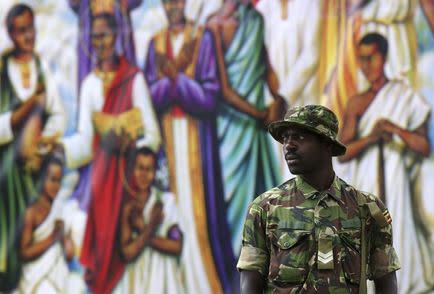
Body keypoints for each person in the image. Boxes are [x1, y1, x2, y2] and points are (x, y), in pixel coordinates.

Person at [237, 104, 400, 293]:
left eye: (299, 136)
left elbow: (386, 280)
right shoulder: (265, 207)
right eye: (285, 138)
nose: (288, 145)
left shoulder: (368, 208)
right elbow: (249, 282)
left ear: (327, 144)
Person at [59, 12, 160, 294]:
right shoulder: (90, 84)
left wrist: (131, 142)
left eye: (104, 36)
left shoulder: (133, 79)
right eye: (94, 37)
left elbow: (152, 135)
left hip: (128, 181)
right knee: (102, 254)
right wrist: (59, 149)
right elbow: (84, 142)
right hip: (101, 184)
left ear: (115, 37)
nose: (99, 42)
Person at [145, 0, 237, 293]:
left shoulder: (202, 38)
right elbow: (147, 98)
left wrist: (176, 80)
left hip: (198, 144)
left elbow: (210, 98)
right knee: (171, 216)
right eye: (167, 1)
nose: (172, 5)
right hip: (167, 143)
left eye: (177, 0)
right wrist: (172, 82)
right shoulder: (154, 44)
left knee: (201, 223)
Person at [338, 33, 434, 293]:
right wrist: (371, 137)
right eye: (361, 59)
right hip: (365, 184)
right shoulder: (357, 103)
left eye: (371, 58)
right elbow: (342, 152)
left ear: (384, 57)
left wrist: (394, 129)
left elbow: (424, 147)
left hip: (397, 182)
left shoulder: (404, 97)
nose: (366, 65)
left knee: (398, 236)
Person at [0, 4, 66, 291]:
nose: (28, 36)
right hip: (9, 173)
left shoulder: (42, 67)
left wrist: (45, 140)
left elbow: (58, 116)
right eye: (21, 31)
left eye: (31, 28)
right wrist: (24, 112)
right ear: (9, 34)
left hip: (36, 168)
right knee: (10, 234)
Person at [206, 0, 286, 256]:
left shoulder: (255, 21)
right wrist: (261, 113)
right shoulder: (214, 26)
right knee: (231, 207)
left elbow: (265, 66)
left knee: (262, 204)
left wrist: (278, 98)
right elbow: (224, 91)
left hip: (256, 131)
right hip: (230, 127)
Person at [114, 146, 184, 293]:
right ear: (133, 169)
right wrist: (150, 227)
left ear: (154, 172)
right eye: (140, 168)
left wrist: (141, 229)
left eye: (149, 169)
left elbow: (176, 246)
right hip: (137, 274)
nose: (144, 174)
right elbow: (127, 252)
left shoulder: (166, 201)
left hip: (162, 273)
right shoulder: (129, 207)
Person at [18, 155, 73, 293]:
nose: (57, 186)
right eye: (53, 180)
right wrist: (51, 239)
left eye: (59, 181)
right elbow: (24, 252)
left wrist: (64, 239)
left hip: (57, 274)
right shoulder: (32, 212)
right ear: (42, 179)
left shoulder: (60, 208)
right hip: (37, 276)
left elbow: (68, 253)